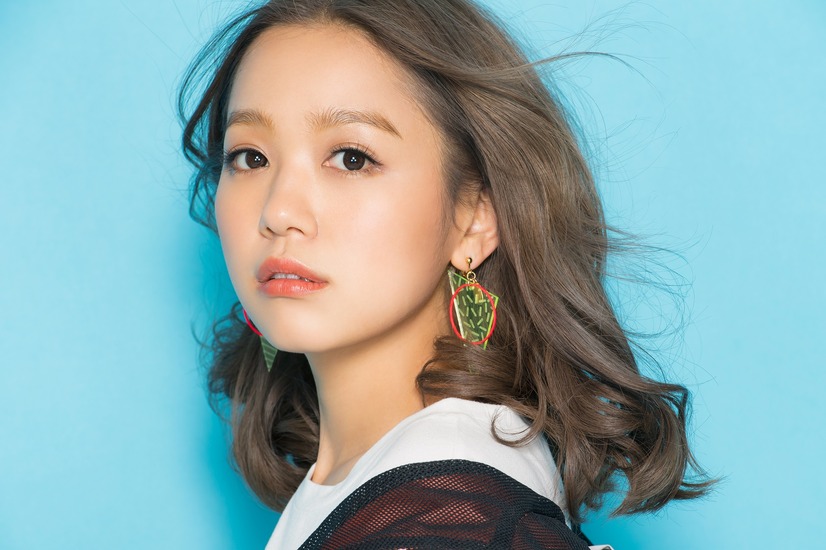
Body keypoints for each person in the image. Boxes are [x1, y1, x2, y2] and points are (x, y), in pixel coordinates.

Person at [178, 0, 714, 548]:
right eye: (249, 157)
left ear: (475, 216)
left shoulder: (442, 522)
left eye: (351, 158)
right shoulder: (413, 486)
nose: (278, 212)